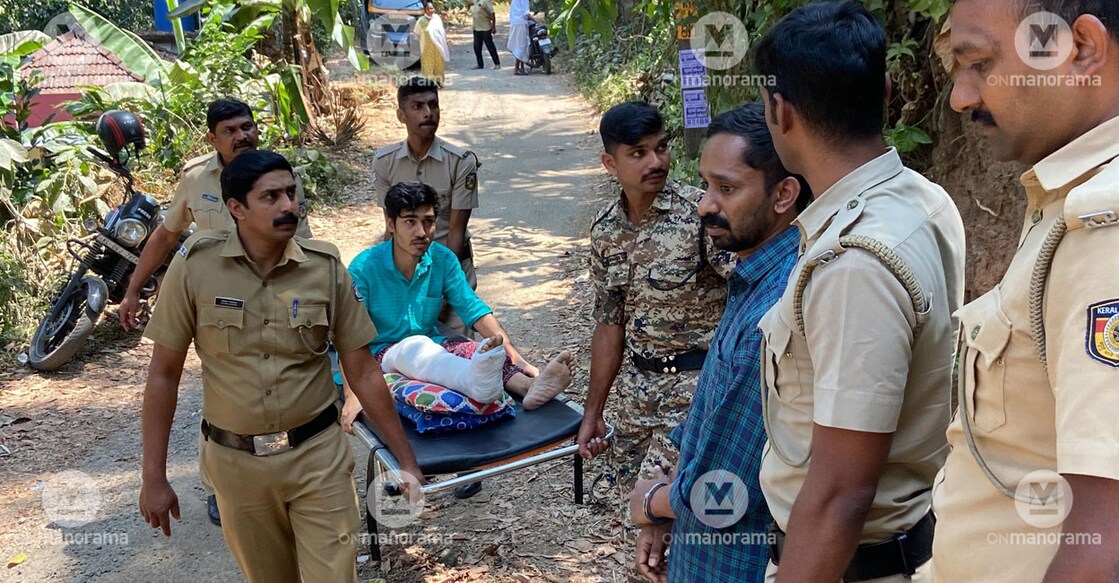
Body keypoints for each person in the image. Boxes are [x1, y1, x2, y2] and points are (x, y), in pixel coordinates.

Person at [752, 2, 966, 581]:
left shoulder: (855, 263)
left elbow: (842, 494)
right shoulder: (924, 199)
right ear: (888, 89)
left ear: (781, 111)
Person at [137, 150, 422, 583]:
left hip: (317, 457)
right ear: (236, 208)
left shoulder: (325, 269)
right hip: (236, 466)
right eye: (270, 196)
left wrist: (405, 460)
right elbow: (163, 374)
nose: (288, 205)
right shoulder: (195, 268)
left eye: (291, 193)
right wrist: (153, 477)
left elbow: (362, 369)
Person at [933, 1, 1119, 581]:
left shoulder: (1103, 228)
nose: (962, 97)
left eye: (981, 63)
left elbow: (1100, 552)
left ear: (1081, 49)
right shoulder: (1064, 201)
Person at [627, 103, 812, 583]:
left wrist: (649, 503)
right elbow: (708, 417)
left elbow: (728, 483)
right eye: (706, 185)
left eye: (726, 189)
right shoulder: (752, 275)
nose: (705, 205)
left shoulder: (777, 307)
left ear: (783, 194)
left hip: (733, 562)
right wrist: (668, 505)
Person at [118, 97, 312, 527]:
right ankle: (218, 485)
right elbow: (166, 236)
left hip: (273, 291)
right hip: (218, 302)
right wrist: (133, 289)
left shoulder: (275, 176)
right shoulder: (195, 179)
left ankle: (302, 474)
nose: (242, 135)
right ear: (212, 138)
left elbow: (302, 241)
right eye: (230, 130)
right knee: (223, 387)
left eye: (247, 126)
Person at [577, 101, 736, 496]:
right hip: (637, 392)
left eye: (661, 148)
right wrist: (593, 413)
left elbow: (753, 292)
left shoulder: (702, 214)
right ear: (610, 164)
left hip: (698, 387)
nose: (656, 161)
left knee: (675, 502)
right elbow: (609, 323)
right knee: (631, 504)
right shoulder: (606, 231)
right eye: (638, 153)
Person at [339, 180, 573, 426]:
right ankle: (476, 383)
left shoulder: (442, 259)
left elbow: (472, 308)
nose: (421, 231)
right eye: (410, 221)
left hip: (429, 349)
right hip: (379, 357)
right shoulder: (364, 268)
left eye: (428, 221)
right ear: (390, 224)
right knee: (413, 348)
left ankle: (529, 387)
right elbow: (348, 336)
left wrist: (514, 355)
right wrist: (352, 394)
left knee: (479, 351)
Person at [373, 77, 480, 337]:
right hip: (405, 273)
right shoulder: (385, 162)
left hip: (451, 267)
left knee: (458, 354)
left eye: (433, 105)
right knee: (407, 354)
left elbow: (455, 231)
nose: (428, 113)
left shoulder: (460, 162)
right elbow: (391, 228)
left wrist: (444, 292)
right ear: (401, 115)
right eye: (418, 107)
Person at [417, 2, 449, 86]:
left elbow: (441, 32)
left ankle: (439, 81)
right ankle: (428, 84)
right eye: (428, 9)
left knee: (439, 65)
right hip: (426, 48)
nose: (430, 10)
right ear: (425, 10)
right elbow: (416, 33)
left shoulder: (437, 19)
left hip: (438, 47)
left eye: (432, 8)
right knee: (428, 66)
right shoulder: (421, 21)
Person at [472, 0, 500, 70]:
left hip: (485, 28)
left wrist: (493, 27)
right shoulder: (475, 1)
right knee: (477, 47)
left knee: (490, 46)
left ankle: (497, 63)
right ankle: (480, 64)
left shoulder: (485, 1)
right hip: (476, 28)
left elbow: (492, 13)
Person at [507, 0, 531, 75]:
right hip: (521, 23)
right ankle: (517, 68)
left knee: (519, 45)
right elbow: (526, 13)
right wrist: (535, 20)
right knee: (521, 46)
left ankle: (522, 67)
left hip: (514, 23)